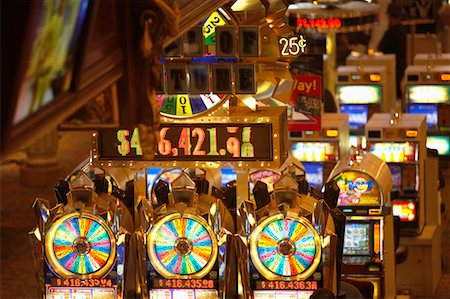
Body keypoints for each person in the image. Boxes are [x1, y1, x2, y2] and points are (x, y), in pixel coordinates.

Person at [378, 2, 407, 98]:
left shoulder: (391, 32)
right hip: (402, 68)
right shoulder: (403, 30)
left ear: (389, 16)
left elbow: (380, 48)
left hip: (391, 69)